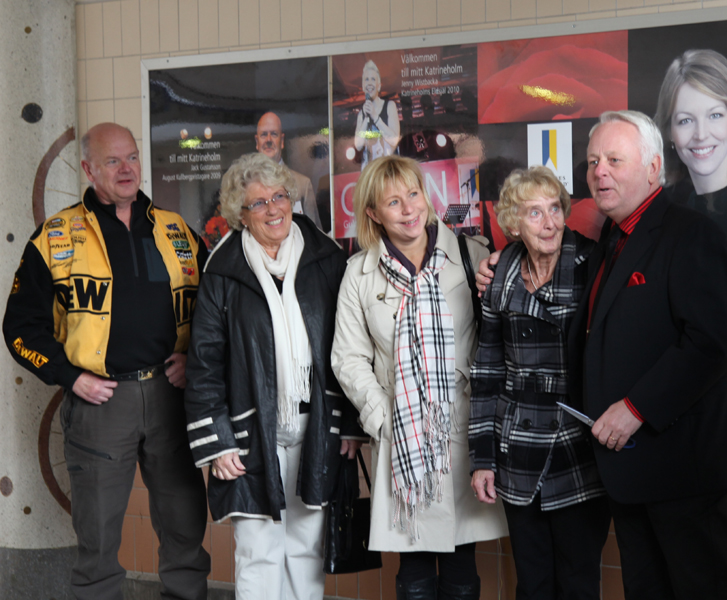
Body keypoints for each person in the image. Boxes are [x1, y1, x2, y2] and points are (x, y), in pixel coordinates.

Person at [3, 123, 210, 600]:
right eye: (113, 161)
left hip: (170, 397)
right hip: (100, 404)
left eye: (132, 158)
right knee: (97, 543)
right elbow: (19, 328)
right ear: (88, 168)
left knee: (184, 529)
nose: (126, 169)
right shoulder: (53, 239)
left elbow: (214, 312)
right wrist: (69, 376)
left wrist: (191, 357)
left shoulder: (178, 231)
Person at [183, 153, 365, 600]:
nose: (273, 209)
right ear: (239, 216)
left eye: (279, 196)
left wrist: (351, 424)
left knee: (306, 548)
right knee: (258, 552)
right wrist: (217, 441)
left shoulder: (325, 258)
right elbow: (204, 361)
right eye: (258, 203)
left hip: (316, 423)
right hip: (249, 431)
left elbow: (350, 345)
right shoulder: (222, 271)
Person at [331, 155, 508, 600]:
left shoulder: (471, 255)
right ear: (372, 213)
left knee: (461, 562)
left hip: (461, 427)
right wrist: (386, 420)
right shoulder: (358, 274)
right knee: (412, 567)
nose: (409, 209)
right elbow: (349, 360)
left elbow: (497, 341)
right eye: (393, 201)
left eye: (413, 195)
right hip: (402, 435)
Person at [568, 110, 727, 600]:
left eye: (615, 159)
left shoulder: (691, 234)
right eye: (594, 161)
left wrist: (637, 407)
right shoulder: (609, 240)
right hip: (628, 475)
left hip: (684, 476)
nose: (599, 171)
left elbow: (711, 340)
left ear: (654, 169)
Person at [469, 166, 610, 600]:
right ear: (513, 222)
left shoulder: (593, 264)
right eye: (534, 213)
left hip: (578, 446)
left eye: (554, 209)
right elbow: (487, 368)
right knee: (531, 582)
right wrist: (482, 457)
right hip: (518, 448)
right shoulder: (499, 274)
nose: (549, 223)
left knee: (578, 580)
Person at [655, 48, 727, 232]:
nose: (701, 135)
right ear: (669, 130)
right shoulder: (667, 215)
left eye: (715, 115)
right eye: (685, 120)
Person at [255, 111, 323, 229]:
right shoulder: (246, 187)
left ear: (281, 141)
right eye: (264, 134)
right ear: (257, 142)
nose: (269, 140)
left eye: (274, 134)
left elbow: (315, 237)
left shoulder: (303, 185)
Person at [353, 60, 401, 170]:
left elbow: (394, 140)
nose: (369, 83)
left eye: (373, 79)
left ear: (378, 86)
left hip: (388, 170)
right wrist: (366, 118)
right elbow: (358, 145)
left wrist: (375, 117)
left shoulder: (389, 106)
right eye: (366, 79)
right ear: (363, 85)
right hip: (370, 171)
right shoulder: (361, 113)